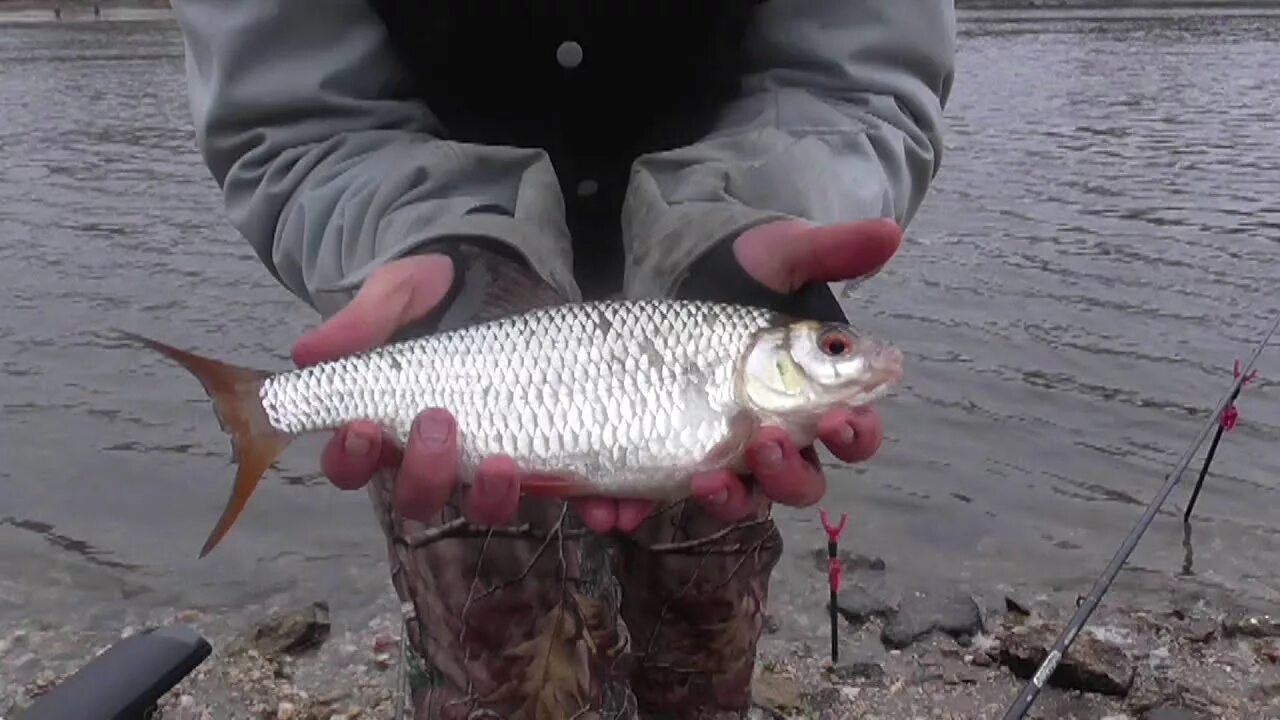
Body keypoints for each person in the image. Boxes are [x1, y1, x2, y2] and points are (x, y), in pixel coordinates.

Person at [172, 1, 955, 717]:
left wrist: (764, 208)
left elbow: (861, 71)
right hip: (431, 291)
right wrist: (439, 245)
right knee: (502, 687)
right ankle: (264, 410)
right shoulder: (734, 389)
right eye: (834, 350)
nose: (852, 360)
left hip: (714, 266)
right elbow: (293, 113)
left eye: (835, 350)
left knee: (700, 678)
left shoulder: (737, 379)